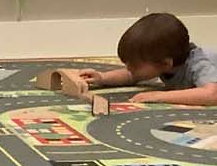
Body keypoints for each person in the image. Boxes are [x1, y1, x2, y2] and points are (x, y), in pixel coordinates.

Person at [78, 12, 217, 106]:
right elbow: (131, 75)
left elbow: (211, 94)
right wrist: (103, 78)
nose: (129, 68)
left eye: (135, 65)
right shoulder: (165, 61)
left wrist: (157, 96)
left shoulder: (198, 63)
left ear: (165, 63)